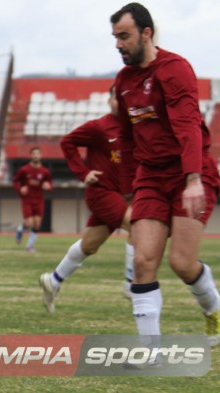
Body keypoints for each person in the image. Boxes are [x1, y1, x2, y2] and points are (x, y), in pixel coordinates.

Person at [111, 3, 220, 347]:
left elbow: (188, 126)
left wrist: (192, 180)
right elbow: (127, 139)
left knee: (182, 263)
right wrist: (129, 187)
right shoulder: (124, 80)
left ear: (147, 33)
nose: (118, 44)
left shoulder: (175, 69)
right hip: (151, 178)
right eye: (115, 37)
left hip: (191, 171)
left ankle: (215, 310)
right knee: (143, 261)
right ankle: (150, 353)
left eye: (124, 36)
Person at [39, 86, 135, 313]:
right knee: (138, 224)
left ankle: (53, 281)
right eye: (116, 98)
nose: (121, 102)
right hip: (102, 192)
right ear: (109, 100)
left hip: (121, 196)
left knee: (89, 245)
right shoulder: (99, 127)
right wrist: (84, 173)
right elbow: (67, 143)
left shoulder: (135, 128)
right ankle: (132, 283)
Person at [12, 147, 52, 252]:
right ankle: (20, 228)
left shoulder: (45, 171)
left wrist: (48, 186)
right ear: (31, 155)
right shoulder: (24, 170)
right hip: (27, 200)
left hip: (39, 200)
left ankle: (29, 246)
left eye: (38, 154)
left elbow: (50, 184)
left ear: (41, 156)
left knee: (37, 223)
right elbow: (15, 181)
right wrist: (20, 188)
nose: (36, 156)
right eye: (34, 154)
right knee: (29, 223)